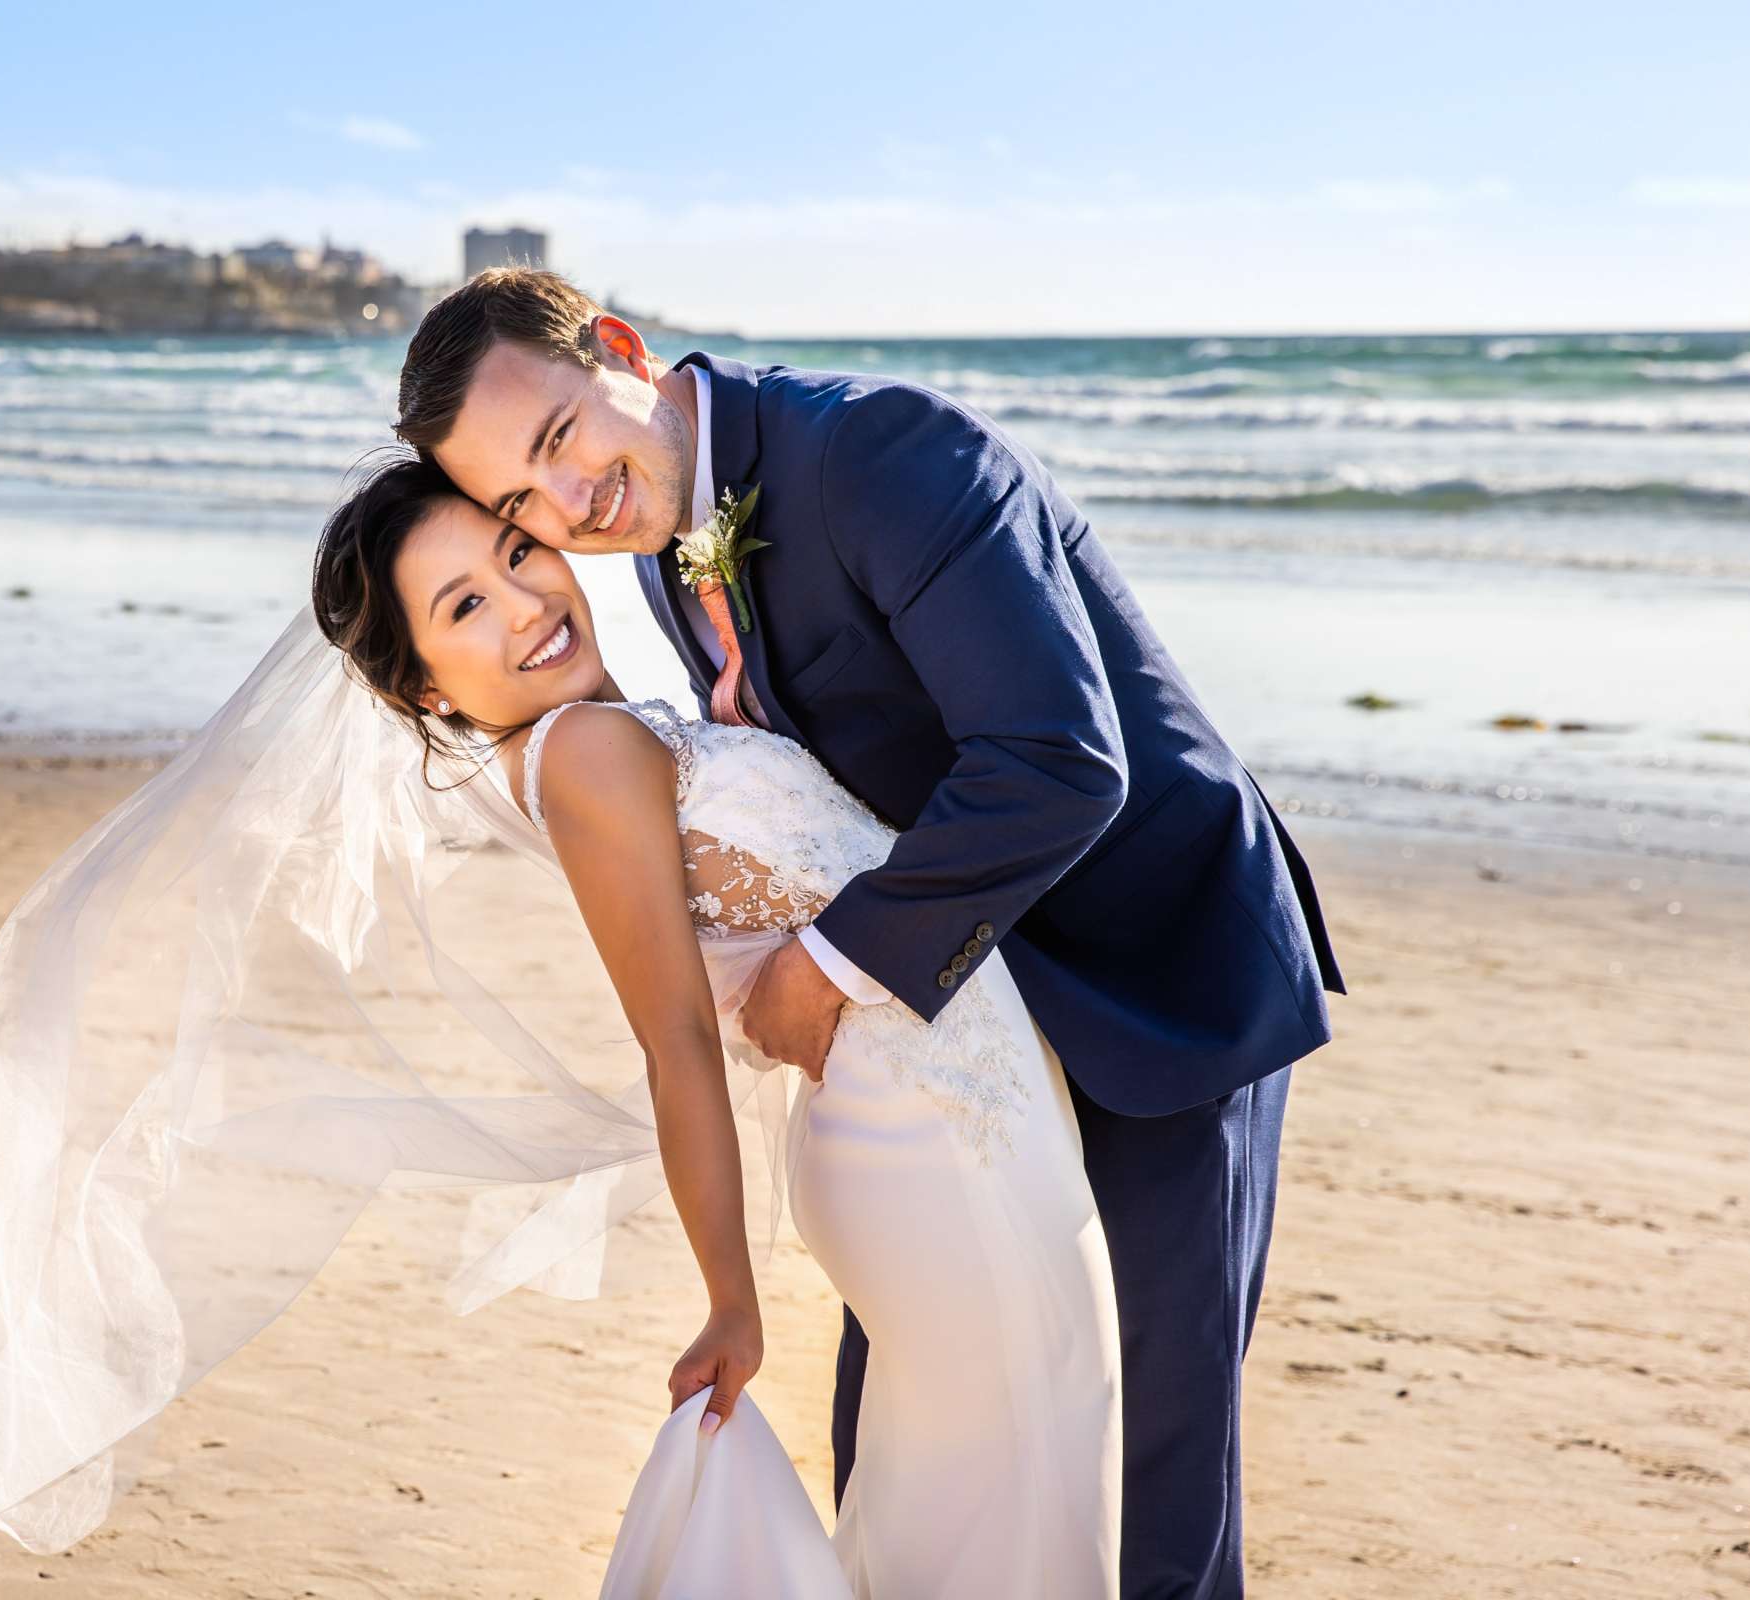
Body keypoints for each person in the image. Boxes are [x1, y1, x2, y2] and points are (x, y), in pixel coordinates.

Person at [395, 269, 1345, 1598]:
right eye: (517, 502)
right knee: (912, 1453)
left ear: (620, 348)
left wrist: (824, 964)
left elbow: (1061, 762)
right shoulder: (669, 526)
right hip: (967, 1040)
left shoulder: (883, 452)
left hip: (1147, 983)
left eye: (559, 440)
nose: (568, 506)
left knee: (1142, 1484)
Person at [312, 455, 1122, 1596]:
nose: (528, 603)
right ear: (429, 692)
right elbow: (675, 1039)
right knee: (1014, 1507)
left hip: (960, 1120)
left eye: (516, 553)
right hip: (932, 1146)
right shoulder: (583, 755)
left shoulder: (605, 738)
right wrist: (730, 1301)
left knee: (992, 1493)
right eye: (465, 608)